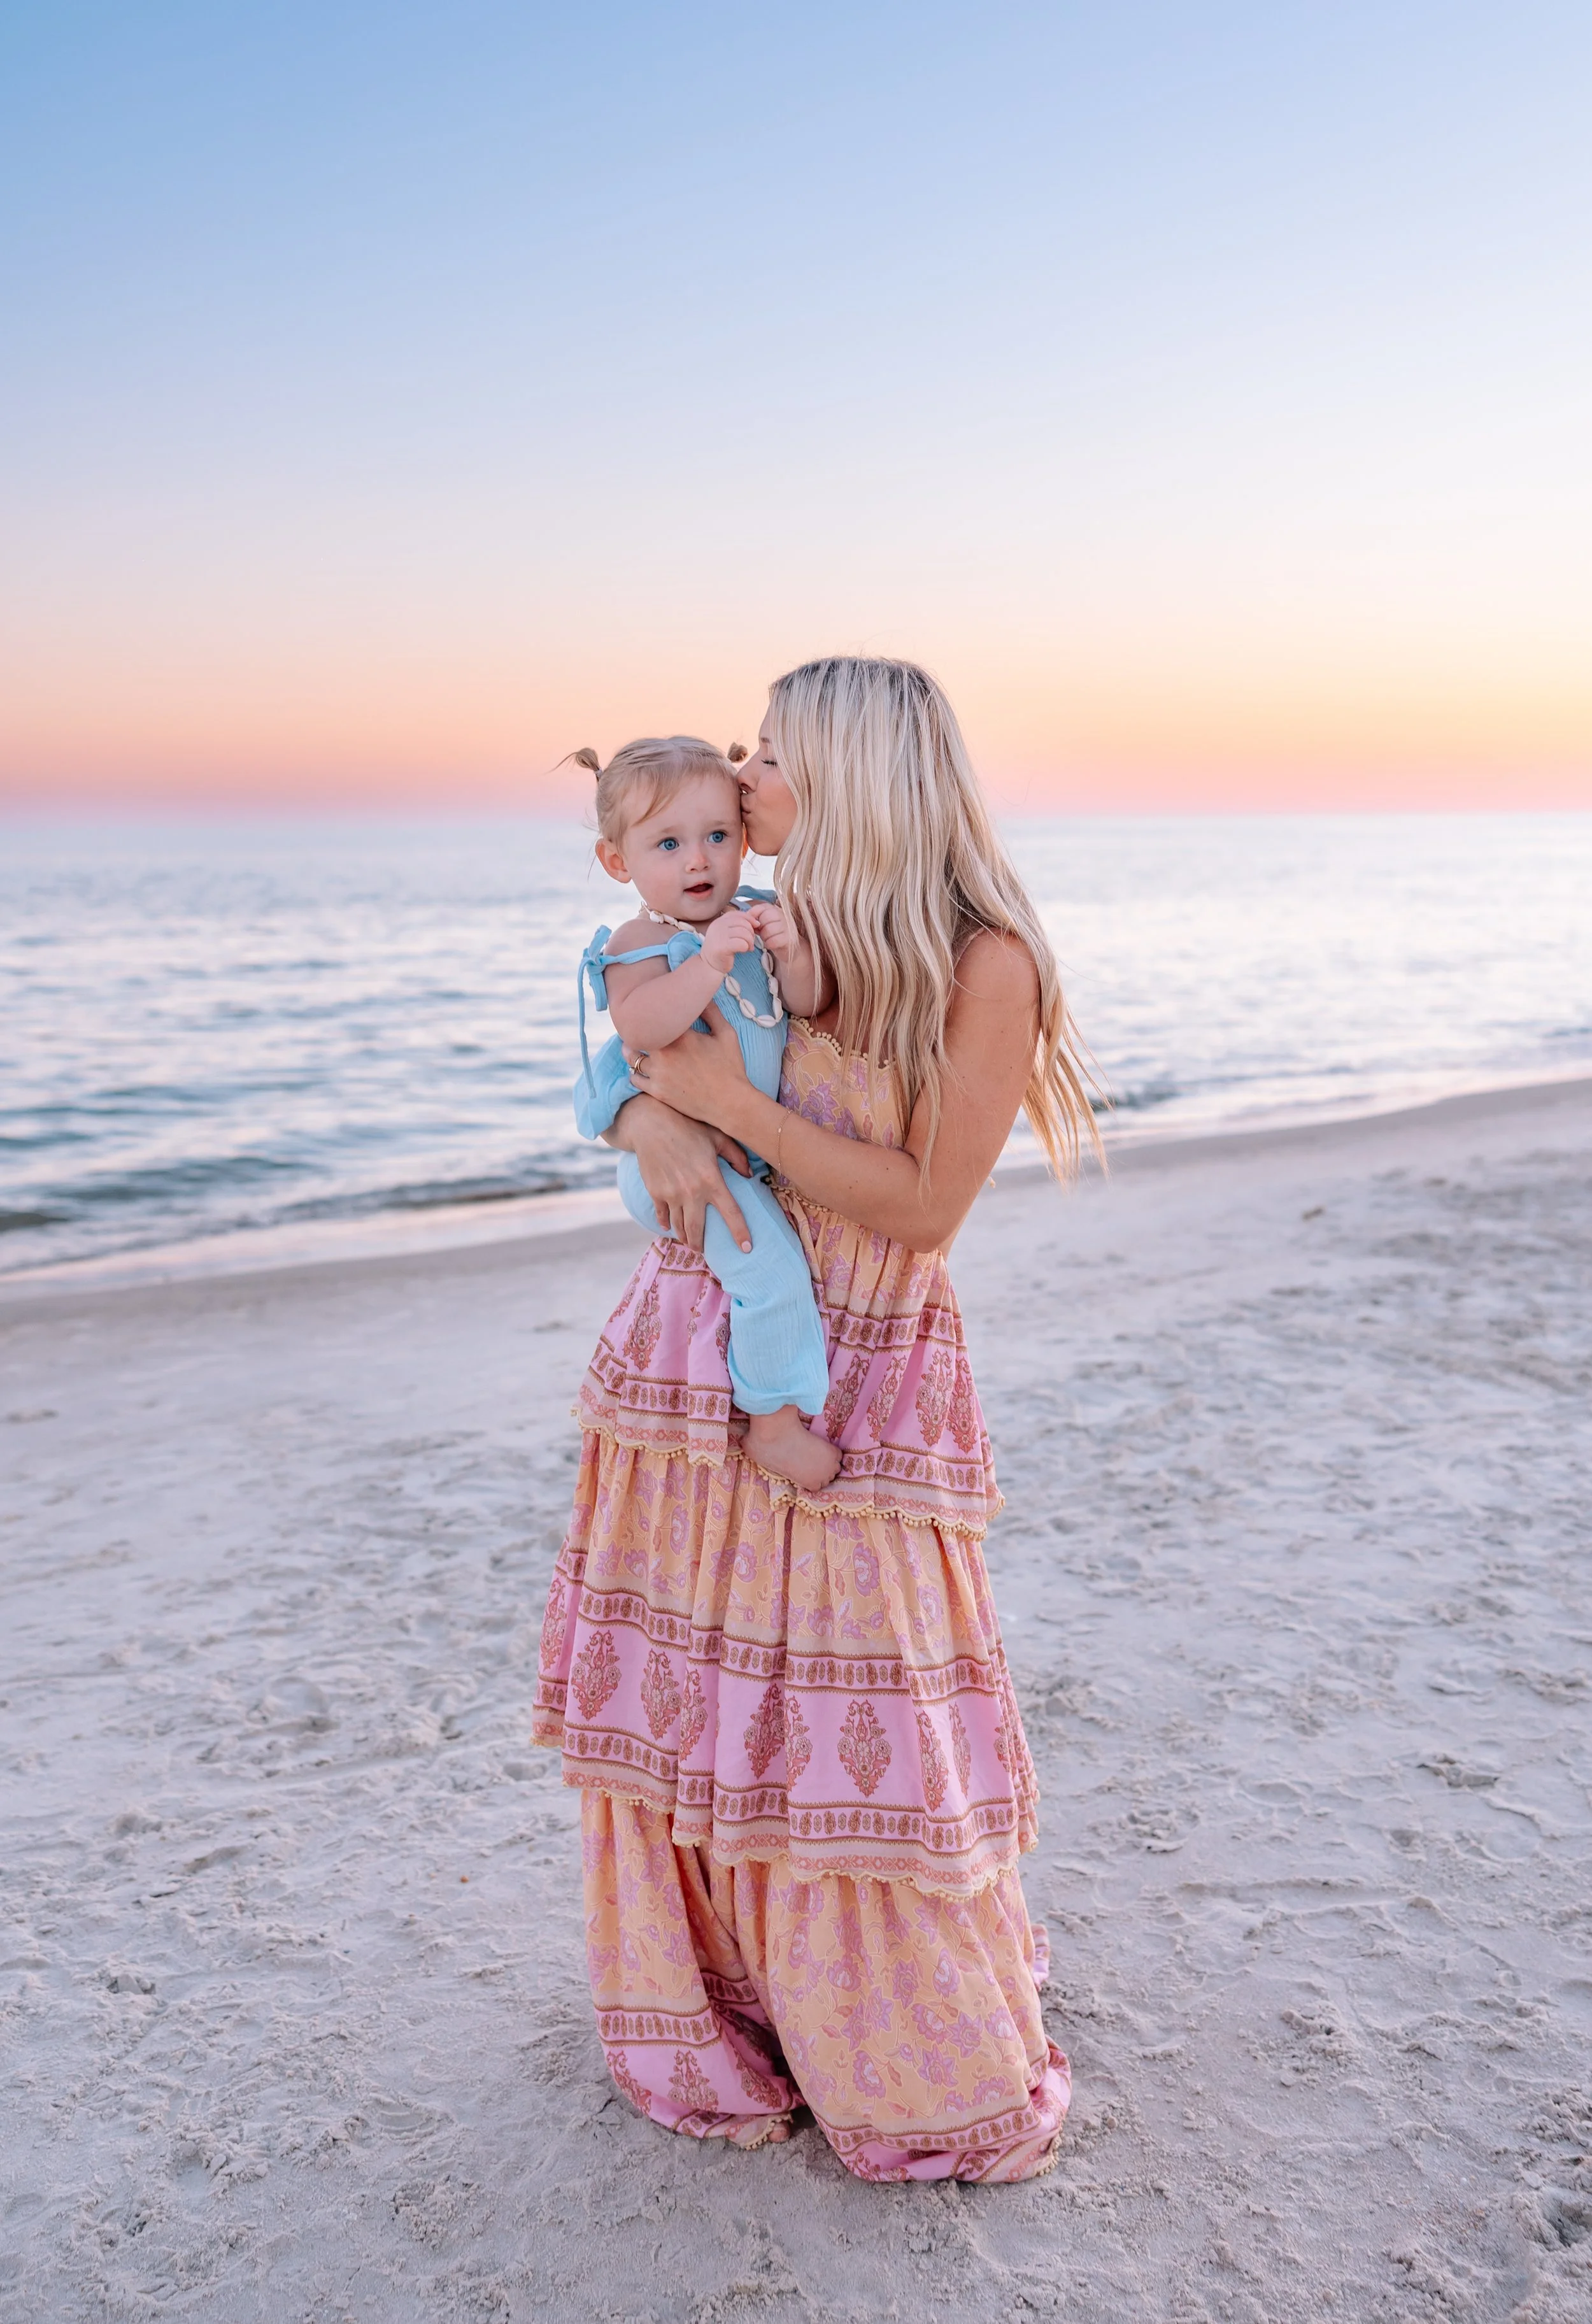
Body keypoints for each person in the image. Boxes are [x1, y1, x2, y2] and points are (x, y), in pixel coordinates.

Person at [534, 657, 1098, 2180]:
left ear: (848, 773)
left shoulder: (983, 961)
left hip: (864, 1360)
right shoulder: (755, 929)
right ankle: (723, 2010)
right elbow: (624, 1054)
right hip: (687, 1347)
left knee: (864, 1711)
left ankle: (892, 2039)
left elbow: (924, 1209)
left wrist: (716, 1109)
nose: (744, 771)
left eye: (769, 752)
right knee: (694, 1703)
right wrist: (652, 1109)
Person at [574, 734, 840, 1490]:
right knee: (771, 1272)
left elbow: (806, 1006)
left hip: (744, 1150)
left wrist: (791, 956)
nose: (699, 861)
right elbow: (642, 1028)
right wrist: (711, 963)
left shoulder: (758, 916)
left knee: (763, 1265)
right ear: (618, 862)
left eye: (717, 836)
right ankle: (775, 1424)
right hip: (666, 1166)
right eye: (668, 843)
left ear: (743, 839)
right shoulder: (643, 942)